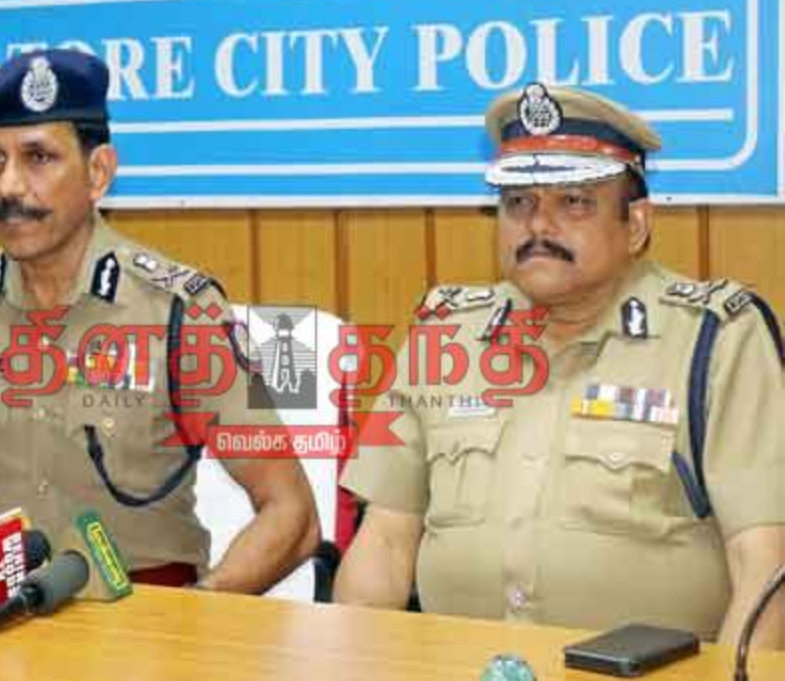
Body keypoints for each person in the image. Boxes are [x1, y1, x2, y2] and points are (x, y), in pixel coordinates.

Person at [335, 83, 785, 648]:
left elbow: (765, 568)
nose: (538, 227)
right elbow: (383, 542)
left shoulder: (718, 340)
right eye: (518, 204)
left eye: (573, 202)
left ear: (636, 225)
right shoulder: (443, 335)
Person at [0, 49, 320, 592]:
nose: (8, 187)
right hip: (4, 613)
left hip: (146, 616)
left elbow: (292, 513)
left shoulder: (178, 312)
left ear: (98, 173)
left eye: (38, 157)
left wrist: (197, 613)